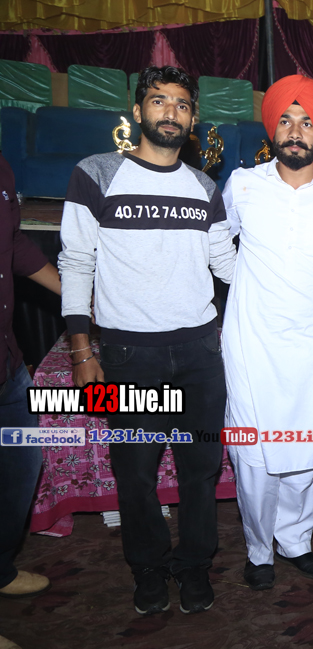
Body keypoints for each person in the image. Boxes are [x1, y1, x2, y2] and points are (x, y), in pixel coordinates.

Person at [59, 65, 235, 615]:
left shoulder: (204, 187)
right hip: (129, 353)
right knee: (135, 473)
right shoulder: (96, 173)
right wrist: (81, 350)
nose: (171, 113)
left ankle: (195, 563)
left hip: (200, 352)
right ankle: (148, 567)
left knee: (200, 470)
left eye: (182, 104)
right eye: (159, 101)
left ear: (193, 119)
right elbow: (76, 263)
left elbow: (228, 266)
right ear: (138, 111)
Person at [221, 75, 313, 591]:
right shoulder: (243, 185)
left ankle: (296, 541)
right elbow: (216, 245)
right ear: (272, 129)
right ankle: (259, 550)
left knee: (305, 452)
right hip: (251, 344)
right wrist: (244, 290)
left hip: (312, 345)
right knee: (254, 456)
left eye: (306, 122)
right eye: (286, 120)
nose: (296, 131)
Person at [0, 155, 62, 649]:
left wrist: (77, 294)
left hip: (7, 361)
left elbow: (13, 243)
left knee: (22, 465)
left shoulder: (1, 167)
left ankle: (0, 567)